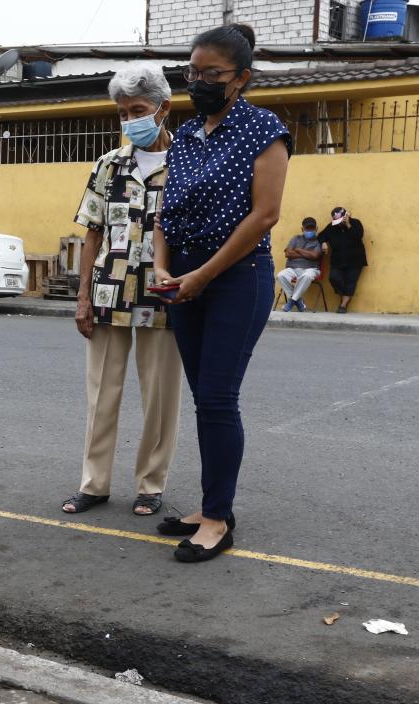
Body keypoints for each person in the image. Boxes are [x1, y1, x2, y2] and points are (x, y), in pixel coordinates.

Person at [153, 23, 292, 562]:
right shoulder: (187, 135)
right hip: (184, 278)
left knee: (217, 398)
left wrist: (204, 274)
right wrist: (164, 266)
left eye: (212, 74)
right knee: (204, 398)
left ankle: (217, 520)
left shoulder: (266, 130)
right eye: (194, 73)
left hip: (235, 277)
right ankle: (215, 503)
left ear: (242, 79)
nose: (200, 82)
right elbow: (168, 212)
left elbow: (265, 216)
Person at [65, 63, 183, 518]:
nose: (129, 119)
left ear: (163, 108)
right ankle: (93, 484)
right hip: (107, 290)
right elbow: (91, 232)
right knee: (101, 393)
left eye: (138, 109)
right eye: (122, 112)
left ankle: (151, 484)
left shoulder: (187, 162)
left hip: (163, 293)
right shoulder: (108, 164)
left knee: (159, 396)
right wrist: (81, 298)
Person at [318, 206, 366, 314]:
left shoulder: (356, 223)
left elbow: (358, 236)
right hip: (337, 260)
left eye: (340, 220)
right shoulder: (332, 226)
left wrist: (348, 224)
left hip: (355, 259)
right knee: (334, 278)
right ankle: (345, 296)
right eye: (336, 221)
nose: (339, 223)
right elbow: (321, 236)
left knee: (351, 282)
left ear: (346, 216)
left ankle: (343, 305)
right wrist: (323, 242)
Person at [276, 217, 323, 312]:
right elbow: (288, 253)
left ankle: (292, 301)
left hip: (311, 269)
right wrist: (307, 254)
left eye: (312, 228)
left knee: (307, 276)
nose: (309, 230)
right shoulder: (295, 239)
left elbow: (314, 255)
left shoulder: (319, 241)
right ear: (302, 229)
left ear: (316, 228)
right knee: (280, 275)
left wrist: (298, 250)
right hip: (292, 268)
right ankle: (298, 301)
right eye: (307, 228)